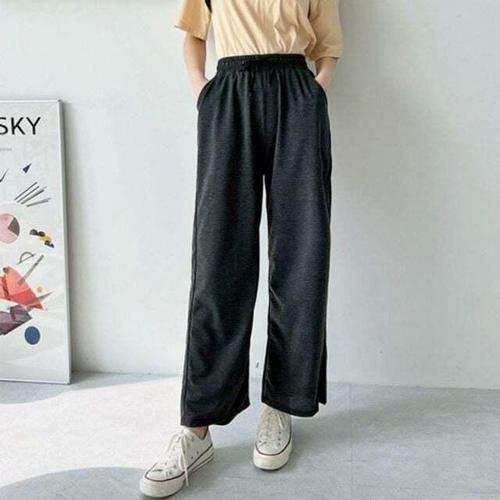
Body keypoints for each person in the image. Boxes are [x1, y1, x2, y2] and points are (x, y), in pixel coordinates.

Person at [140, 0, 343, 497]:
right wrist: (203, 91)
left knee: (301, 256)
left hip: (296, 93)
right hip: (229, 94)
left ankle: (281, 404)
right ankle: (196, 427)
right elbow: (193, 34)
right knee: (218, 260)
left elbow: (329, 44)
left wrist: (315, 91)